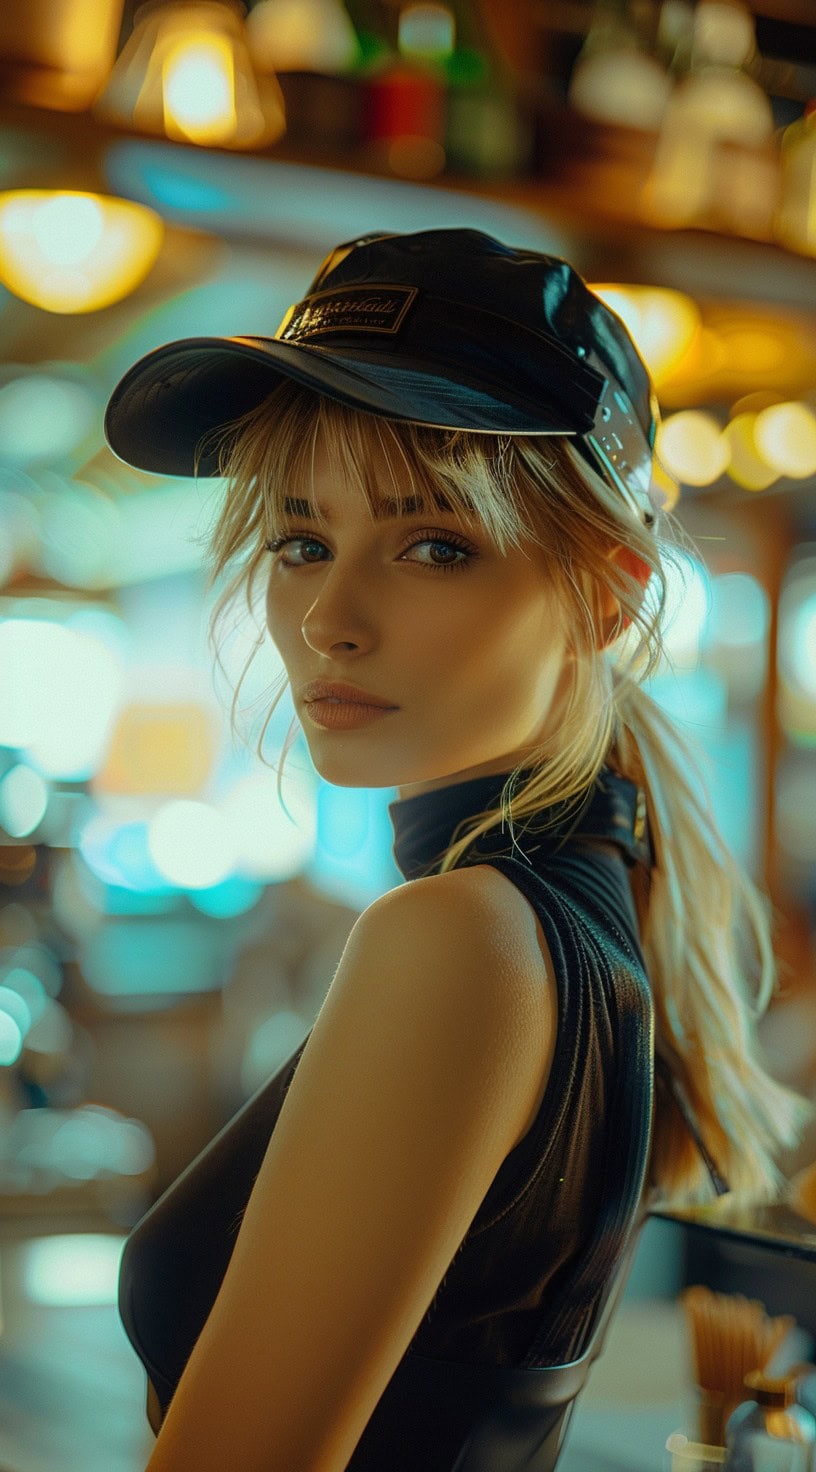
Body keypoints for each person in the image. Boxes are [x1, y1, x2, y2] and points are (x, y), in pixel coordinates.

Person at [104, 228, 813, 1472]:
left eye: (435, 543)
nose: (329, 617)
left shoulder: (459, 935)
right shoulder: (574, 906)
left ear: (609, 593)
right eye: (300, 538)